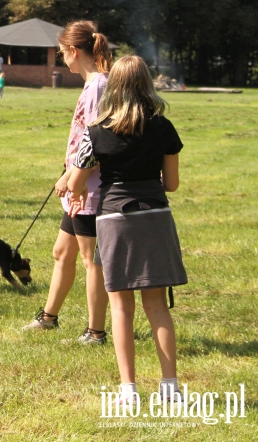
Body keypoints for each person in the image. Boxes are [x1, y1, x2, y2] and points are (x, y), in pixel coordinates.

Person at [67, 54, 186, 405]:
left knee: (121, 309)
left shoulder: (97, 131)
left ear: (114, 86)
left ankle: (128, 390)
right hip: (155, 215)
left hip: (113, 219)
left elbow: (75, 183)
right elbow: (173, 184)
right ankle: (170, 387)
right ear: (147, 83)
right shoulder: (163, 127)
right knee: (158, 307)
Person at [23, 21, 112, 345]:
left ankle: (96, 332)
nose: (63, 59)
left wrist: (73, 176)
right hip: (78, 183)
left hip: (90, 189)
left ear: (74, 51)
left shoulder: (99, 86)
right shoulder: (92, 85)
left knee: (92, 261)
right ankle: (48, 318)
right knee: (62, 252)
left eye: (62, 53)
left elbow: (98, 143)